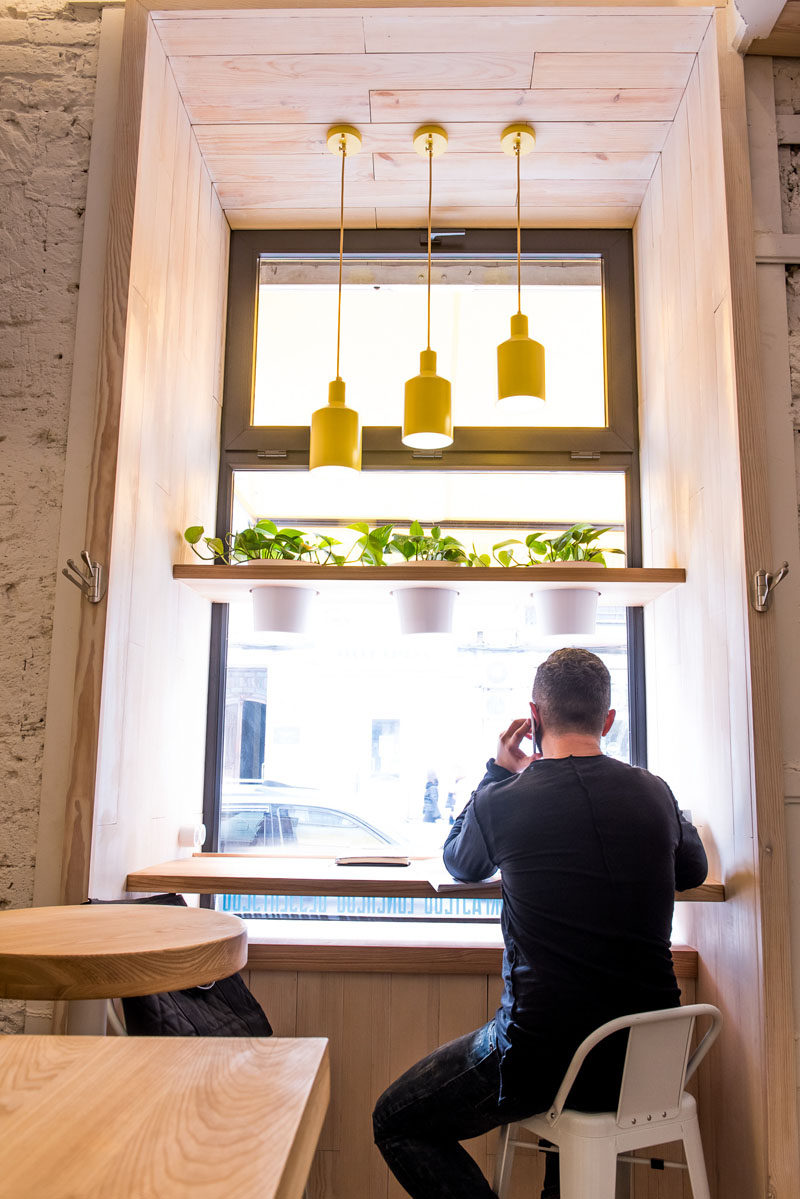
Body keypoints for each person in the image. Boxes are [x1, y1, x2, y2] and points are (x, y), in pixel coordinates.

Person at [373, 647, 708, 1199]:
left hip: (543, 1059)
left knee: (397, 1121)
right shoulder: (654, 791)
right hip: (648, 1064)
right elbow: (691, 870)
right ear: (608, 720)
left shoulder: (504, 801)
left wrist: (498, 769)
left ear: (533, 718)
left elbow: (460, 861)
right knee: (567, 1107)